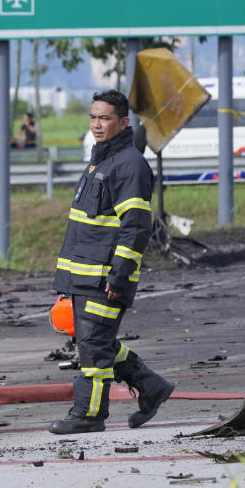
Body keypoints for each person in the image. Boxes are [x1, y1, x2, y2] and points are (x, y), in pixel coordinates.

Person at [49, 89, 173, 434]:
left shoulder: (129, 166)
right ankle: (151, 386)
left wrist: (119, 276)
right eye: (92, 117)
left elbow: (135, 229)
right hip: (83, 276)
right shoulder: (100, 161)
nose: (97, 124)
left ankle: (88, 415)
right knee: (98, 343)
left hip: (105, 278)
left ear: (123, 122)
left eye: (104, 118)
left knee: (93, 349)